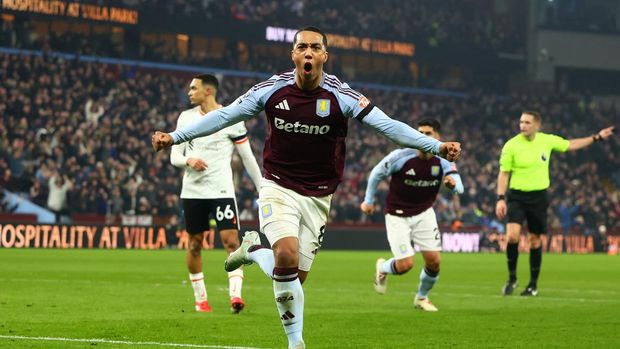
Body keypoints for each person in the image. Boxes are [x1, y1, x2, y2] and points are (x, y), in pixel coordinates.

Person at [153, 27, 461, 349]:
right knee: (285, 254)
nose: (309, 52)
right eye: (302, 47)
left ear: (325, 56)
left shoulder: (341, 96)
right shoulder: (272, 90)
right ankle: (295, 343)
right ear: (294, 55)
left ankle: (253, 250)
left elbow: (387, 126)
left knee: (292, 280)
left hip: (318, 196)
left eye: (315, 47)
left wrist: (435, 146)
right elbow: (225, 115)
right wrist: (175, 138)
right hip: (278, 185)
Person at [170, 74, 262, 313]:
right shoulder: (185, 118)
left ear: (208, 91)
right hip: (192, 192)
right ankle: (201, 300)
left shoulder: (231, 117)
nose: (189, 92)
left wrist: (262, 187)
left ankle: (236, 297)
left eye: (194, 88)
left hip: (221, 190)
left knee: (232, 242)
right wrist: (188, 160)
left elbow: (247, 157)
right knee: (195, 244)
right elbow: (174, 155)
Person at [496, 110, 614, 296]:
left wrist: (597, 137)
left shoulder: (547, 140)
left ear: (537, 125)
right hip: (517, 196)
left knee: (535, 240)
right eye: (521, 122)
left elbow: (571, 144)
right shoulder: (511, 145)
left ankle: (532, 285)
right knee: (512, 237)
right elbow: (504, 174)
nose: (523, 125)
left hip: (538, 197)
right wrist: (500, 198)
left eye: (527, 122)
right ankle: (512, 278)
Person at [360, 118, 464, 312]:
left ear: (438, 137)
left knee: (434, 262)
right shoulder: (401, 157)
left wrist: (452, 185)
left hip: (424, 213)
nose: (421, 137)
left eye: (427, 134)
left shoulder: (442, 160)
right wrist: (368, 200)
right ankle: (383, 268)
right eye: (419, 133)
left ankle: (422, 298)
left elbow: (459, 186)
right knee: (406, 264)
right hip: (397, 215)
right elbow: (376, 174)